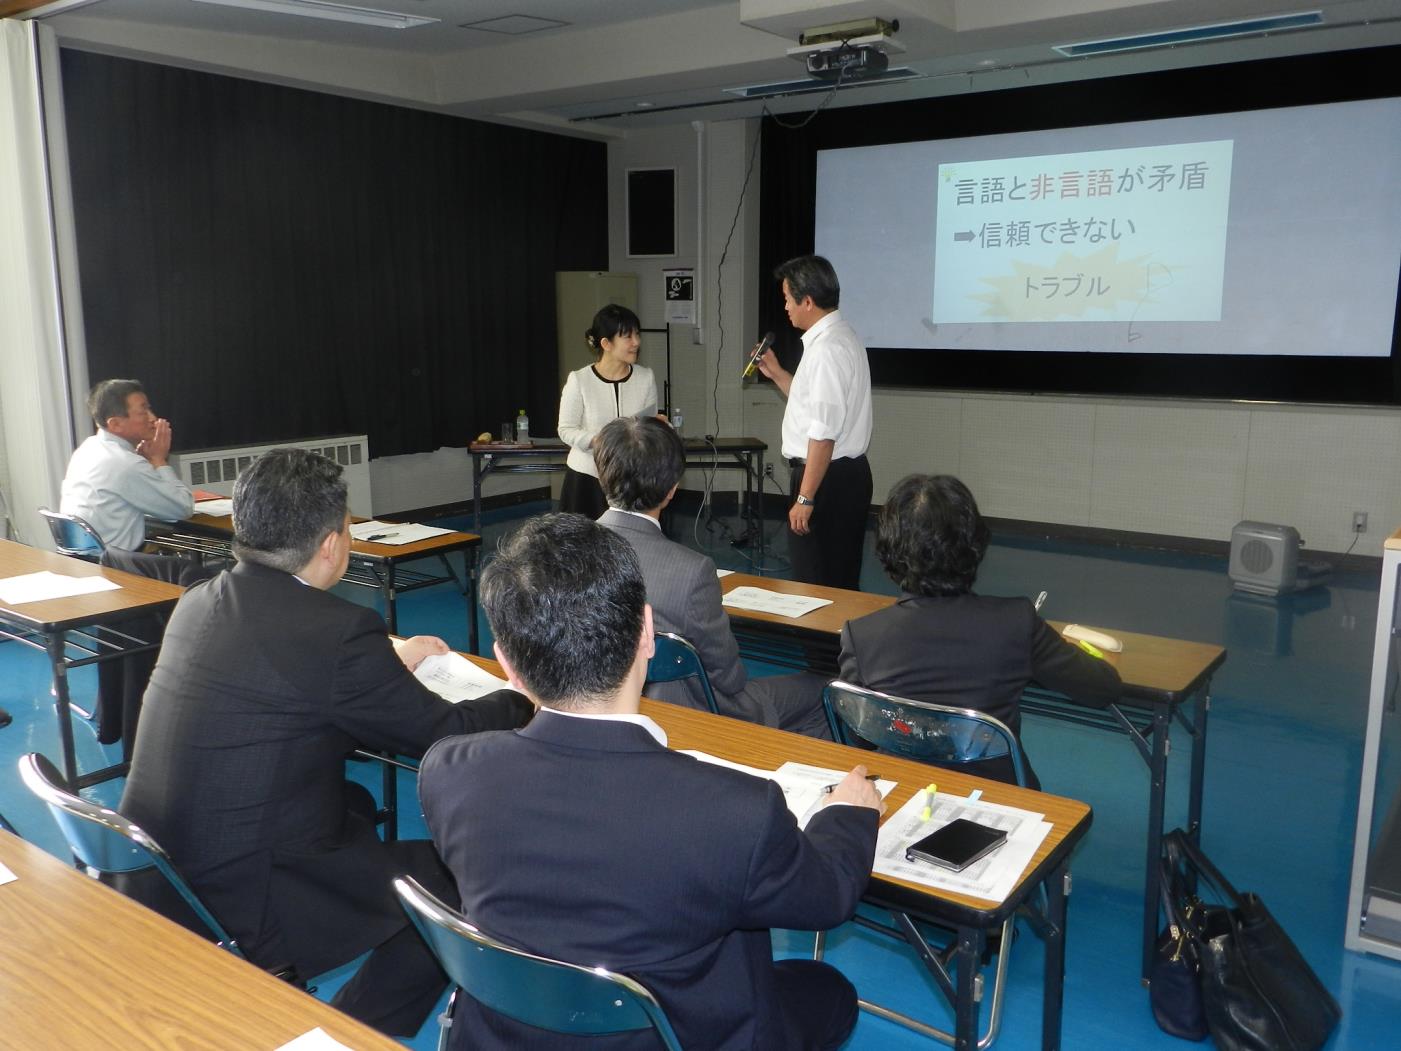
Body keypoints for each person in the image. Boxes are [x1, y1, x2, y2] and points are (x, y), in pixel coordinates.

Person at [419, 513, 883, 1050]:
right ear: (646, 633)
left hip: (506, 1033)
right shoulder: (738, 811)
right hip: (682, 1035)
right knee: (827, 991)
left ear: (508, 666)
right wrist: (849, 813)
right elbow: (826, 899)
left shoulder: (448, 773)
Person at [119, 448, 533, 1037]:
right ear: (333, 543)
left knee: (357, 807)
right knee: (464, 878)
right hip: (244, 894)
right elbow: (446, 735)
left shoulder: (198, 600)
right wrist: (525, 697)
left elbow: (284, 675)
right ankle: (353, 1027)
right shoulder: (336, 634)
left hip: (156, 867)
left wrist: (389, 660)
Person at [840, 475, 1122, 788]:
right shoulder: (1016, 621)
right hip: (998, 793)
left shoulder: (861, 635)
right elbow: (1101, 689)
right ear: (974, 544)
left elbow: (861, 734)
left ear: (888, 551)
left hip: (904, 790)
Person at [595, 415, 832, 738]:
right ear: (671, 489)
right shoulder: (691, 571)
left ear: (601, 474)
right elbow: (729, 678)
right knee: (822, 690)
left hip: (599, 707)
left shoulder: (560, 553)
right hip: (688, 715)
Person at [757, 255, 873, 589]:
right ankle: (840, 642)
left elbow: (823, 432)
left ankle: (824, 644)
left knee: (816, 586)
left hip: (826, 480)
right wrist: (777, 374)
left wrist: (806, 498)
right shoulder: (839, 337)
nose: (785, 307)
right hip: (838, 476)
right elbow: (814, 405)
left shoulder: (827, 350)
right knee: (837, 578)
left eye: (787, 299)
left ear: (807, 301)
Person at [60, 378, 194, 551]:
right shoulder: (125, 463)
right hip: (115, 567)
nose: (153, 418)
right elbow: (182, 508)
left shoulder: (87, 448)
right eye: (143, 411)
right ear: (115, 424)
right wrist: (159, 460)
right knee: (189, 572)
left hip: (83, 559)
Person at [557, 303, 659, 518]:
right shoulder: (580, 380)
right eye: (628, 337)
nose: (636, 343)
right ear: (606, 343)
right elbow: (566, 429)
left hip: (632, 478)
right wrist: (596, 440)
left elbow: (648, 426)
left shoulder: (646, 377)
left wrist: (657, 425)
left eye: (637, 335)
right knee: (583, 544)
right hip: (586, 477)